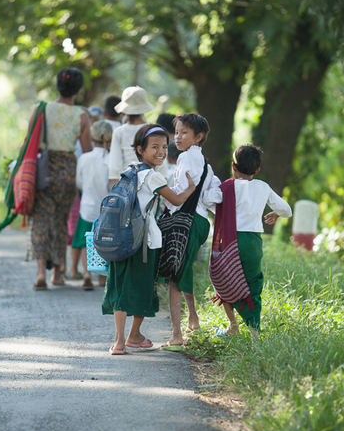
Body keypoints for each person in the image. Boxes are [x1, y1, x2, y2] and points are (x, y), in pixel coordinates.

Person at [102, 123, 196, 355]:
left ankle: (119, 341)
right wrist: (191, 188)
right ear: (140, 149)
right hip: (143, 242)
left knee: (120, 287)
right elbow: (174, 200)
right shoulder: (153, 177)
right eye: (154, 147)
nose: (161, 152)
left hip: (121, 238)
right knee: (141, 288)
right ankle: (134, 335)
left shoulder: (129, 171)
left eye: (164, 146)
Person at [208, 144, 292, 336]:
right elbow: (287, 210)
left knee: (223, 279)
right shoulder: (263, 187)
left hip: (229, 241)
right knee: (253, 284)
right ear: (257, 169)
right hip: (253, 242)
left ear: (233, 166)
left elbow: (207, 200)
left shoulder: (226, 187)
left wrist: (224, 213)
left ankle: (233, 326)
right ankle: (254, 332)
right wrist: (276, 214)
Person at [162, 113, 221, 350]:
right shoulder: (206, 164)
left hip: (184, 221)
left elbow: (180, 193)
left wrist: (161, 197)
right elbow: (212, 194)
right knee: (182, 268)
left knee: (174, 277)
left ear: (198, 137)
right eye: (176, 132)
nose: (178, 136)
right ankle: (193, 320)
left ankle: (176, 336)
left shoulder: (185, 158)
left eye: (184, 133)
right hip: (200, 222)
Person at [31, 68, 92, 290]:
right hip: (68, 172)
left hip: (43, 170)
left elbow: (30, 141)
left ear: (58, 86)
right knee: (60, 221)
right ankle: (57, 274)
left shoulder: (41, 109)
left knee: (40, 220)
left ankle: (40, 273)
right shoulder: (81, 115)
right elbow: (87, 151)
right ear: (78, 90)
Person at [72, 120, 113, 290]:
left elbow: (79, 183)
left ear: (92, 136)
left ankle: (87, 274)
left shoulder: (84, 158)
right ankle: (102, 278)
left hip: (87, 207)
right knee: (105, 243)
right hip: (106, 211)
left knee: (85, 241)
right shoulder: (111, 160)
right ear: (110, 138)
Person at [108, 86, 167, 186]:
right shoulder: (154, 131)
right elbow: (162, 163)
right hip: (152, 184)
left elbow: (115, 167)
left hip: (127, 185)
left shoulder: (119, 132)